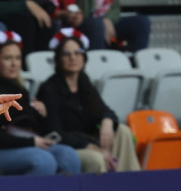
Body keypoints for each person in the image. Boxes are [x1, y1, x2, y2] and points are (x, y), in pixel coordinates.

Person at [0, 30, 81, 175]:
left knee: (69, 156)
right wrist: (31, 143)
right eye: (7, 58)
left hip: (26, 144)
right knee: (43, 161)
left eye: (17, 58)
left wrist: (43, 114)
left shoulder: (20, 88)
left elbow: (34, 128)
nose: (14, 64)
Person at [36, 29, 140, 172]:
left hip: (90, 142)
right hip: (69, 148)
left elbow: (105, 110)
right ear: (58, 60)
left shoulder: (84, 82)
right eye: (66, 54)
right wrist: (91, 147)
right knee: (96, 158)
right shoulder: (49, 88)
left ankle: (130, 182)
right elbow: (56, 133)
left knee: (122, 130)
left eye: (77, 53)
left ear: (84, 57)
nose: (73, 58)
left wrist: (107, 122)